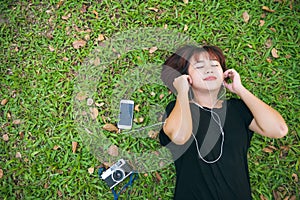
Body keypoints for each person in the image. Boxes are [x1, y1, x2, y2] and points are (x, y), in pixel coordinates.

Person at [159, 45, 288, 200]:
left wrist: (240, 89)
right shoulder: (178, 109)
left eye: (215, 65)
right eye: (199, 67)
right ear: (187, 77)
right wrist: (182, 92)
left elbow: (279, 129)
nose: (209, 70)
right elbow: (179, 136)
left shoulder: (238, 109)